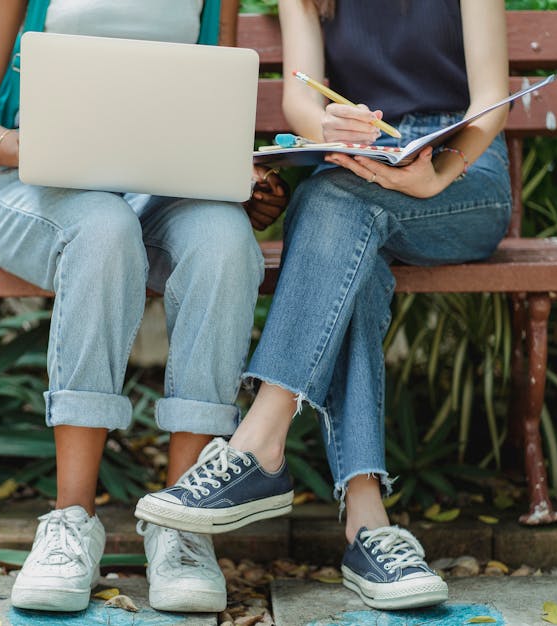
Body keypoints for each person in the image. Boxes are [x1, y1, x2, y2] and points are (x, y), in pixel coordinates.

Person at [136, 0, 512, 611]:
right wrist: (328, 125)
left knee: (333, 205)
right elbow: (301, 100)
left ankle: (259, 443)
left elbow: (491, 99)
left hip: (462, 173)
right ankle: (369, 528)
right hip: (362, 162)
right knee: (346, 235)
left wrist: (438, 173)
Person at [0, 0, 288, 614]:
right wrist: (32, 147)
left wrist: (243, 183)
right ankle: (70, 522)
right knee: (103, 232)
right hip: (36, 187)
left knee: (227, 244)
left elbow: (215, 115)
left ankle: (184, 525)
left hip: (162, 188)